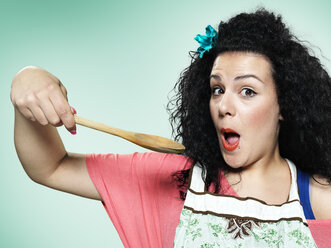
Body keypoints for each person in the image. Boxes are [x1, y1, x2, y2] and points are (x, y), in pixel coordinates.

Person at [11, 7, 331, 248]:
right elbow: (50, 167)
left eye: (247, 91)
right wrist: (28, 78)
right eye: (217, 89)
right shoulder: (173, 180)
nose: (223, 105)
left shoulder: (318, 200)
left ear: (284, 107)